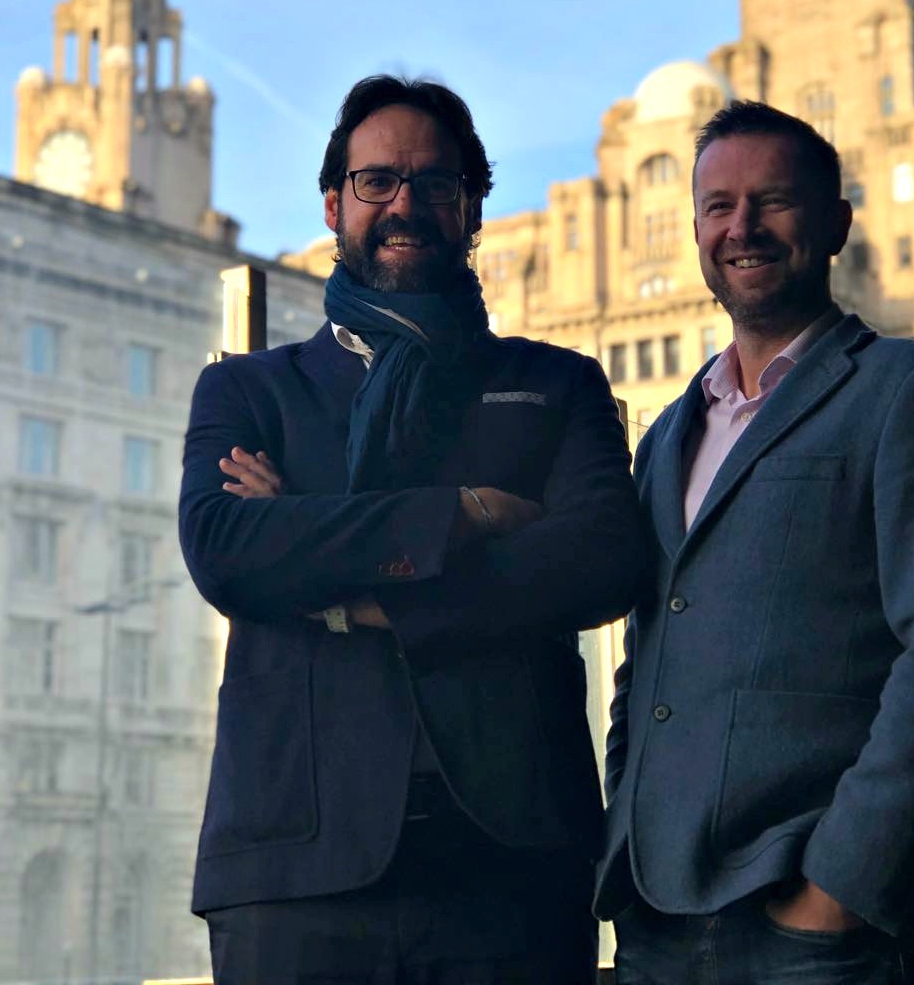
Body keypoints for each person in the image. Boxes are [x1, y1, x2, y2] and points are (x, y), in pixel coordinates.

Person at [178, 75, 642, 983]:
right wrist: (463, 513)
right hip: (297, 862)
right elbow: (227, 552)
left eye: (435, 183)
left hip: (512, 861)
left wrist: (345, 585)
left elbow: (601, 560)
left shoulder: (556, 384)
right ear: (333, 205)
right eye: (377, 181)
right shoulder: (248, 390)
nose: (404, 204)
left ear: (472, 211)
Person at [594, 100, 914, 983]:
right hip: (658, 929)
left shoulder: (913, 390)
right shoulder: (666, 436)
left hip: (822, 935)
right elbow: (650, 658)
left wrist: (840, 887)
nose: (741, 227)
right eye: (718, 206)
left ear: (836, 225)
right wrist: (625, 837)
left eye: (773, 200)